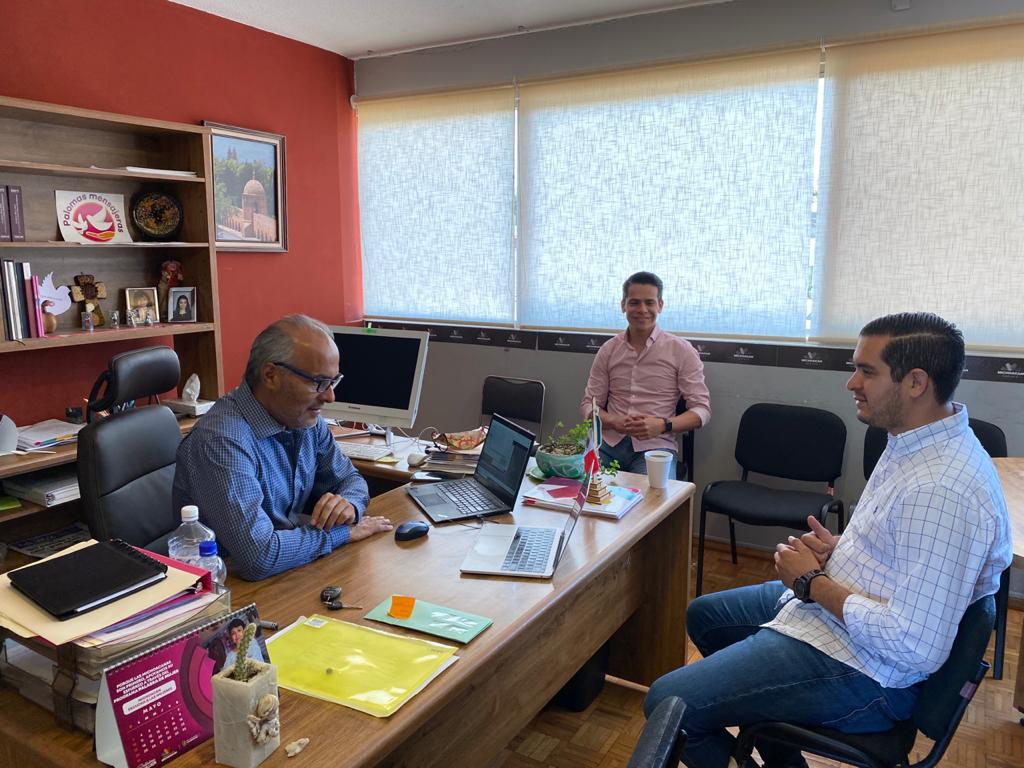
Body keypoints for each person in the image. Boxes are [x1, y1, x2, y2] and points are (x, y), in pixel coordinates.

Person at [643, 312, 1012, 768]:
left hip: (871, 672)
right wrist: (842, 548)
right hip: (844, 618)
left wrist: (812, 583)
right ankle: (777, 738)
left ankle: (768, 713)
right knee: (705, 616)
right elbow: (907, 545)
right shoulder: (914, 439)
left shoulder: (942, 489)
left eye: (866, 371)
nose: (851, 383)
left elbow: (913, 646)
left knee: (667, 703)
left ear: (916, 382)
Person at [172, 314, 393, 580]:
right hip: (229, 587)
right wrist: (342, 532)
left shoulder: (304, 419)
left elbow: (350, 479)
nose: (330, 396)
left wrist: (350, 505)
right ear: (271, 375)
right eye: (318, 382)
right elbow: (260, 556)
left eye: (333, 381)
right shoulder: (221, 441)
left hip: (291, 571)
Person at [580, 271, 710, 475]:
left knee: (651, 495)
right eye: (634, 303)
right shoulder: (609, 349)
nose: (642, 310)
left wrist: (663, 425)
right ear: (623, 305)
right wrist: (613, 421)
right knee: (578, 487)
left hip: (655, 447)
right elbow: (589, 405)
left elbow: (702, 411)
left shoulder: (681, 350)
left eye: (649, 302)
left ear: (660, 305)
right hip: (605, 444)